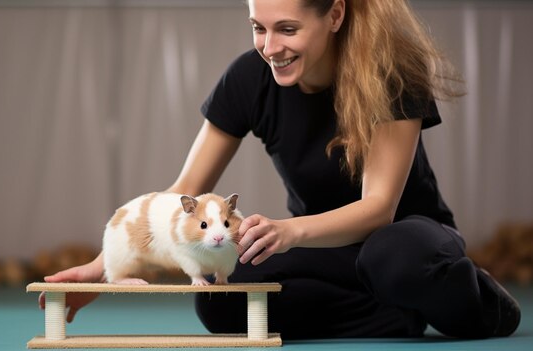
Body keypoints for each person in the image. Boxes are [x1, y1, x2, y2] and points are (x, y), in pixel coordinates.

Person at [39, 0, 521, 339]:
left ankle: (481, 304)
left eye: (287, 29)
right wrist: (102, 269)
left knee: (391, 258)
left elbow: (378, 209)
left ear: (335, 14)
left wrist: (287, 230)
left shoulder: (391, 71)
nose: (269, 47)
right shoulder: (249, 77)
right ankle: (398, 315)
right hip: (321, 249)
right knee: (219, 298)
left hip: (405, 239)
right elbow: (181, 196)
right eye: (257, 27)